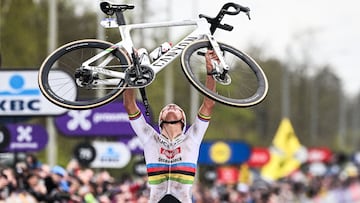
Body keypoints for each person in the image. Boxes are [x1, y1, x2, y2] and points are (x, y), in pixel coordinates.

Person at [123, 50, 218, 203]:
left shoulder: (192, 137)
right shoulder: (150, 137)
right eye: (167, 108)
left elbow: (209, 103)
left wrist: (210, 69)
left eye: (176, 108)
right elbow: (129, 105)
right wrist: (130, 71)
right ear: (161, 120)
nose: (171, 107)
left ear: (183, 120)